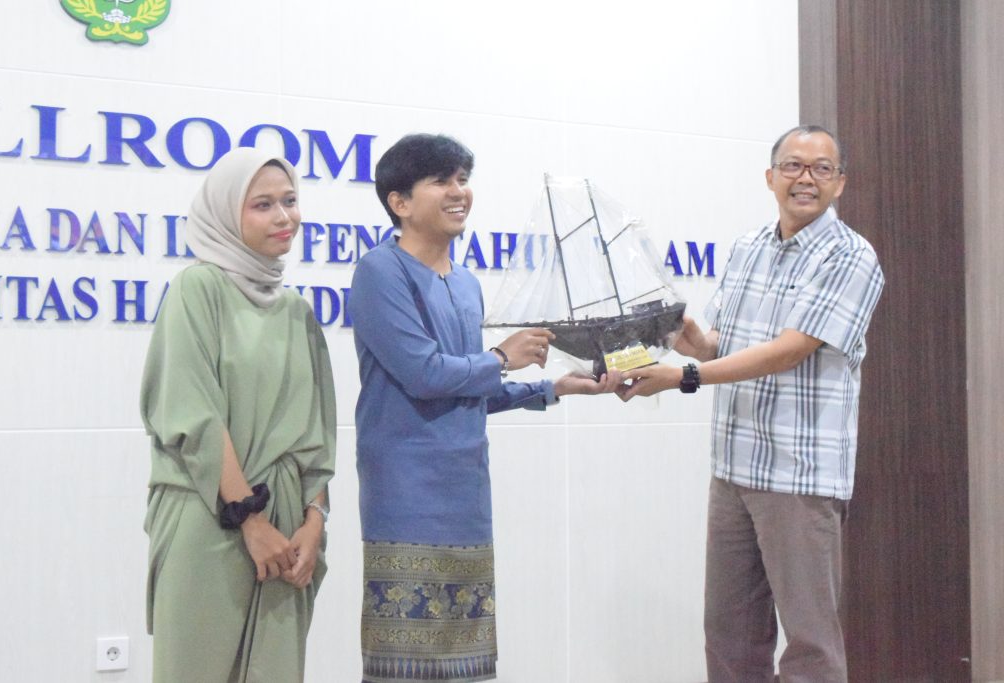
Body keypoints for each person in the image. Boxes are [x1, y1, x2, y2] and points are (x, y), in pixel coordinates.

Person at [349, 133, 621, 682]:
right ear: (399, 202)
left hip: (466, 494)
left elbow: (469, 387)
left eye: (463, 179)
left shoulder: (467, 283)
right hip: (406, 493)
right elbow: (425, 374)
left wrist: (556, 388)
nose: (459, 192)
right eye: (441, 181)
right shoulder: (380, 270)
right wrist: (500, 356)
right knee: (407, 663)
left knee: (465, 663)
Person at [619, 125, 884, 682]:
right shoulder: (748, 246)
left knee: (809, 646)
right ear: (770, 177)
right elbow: (723, 345)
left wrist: (683, 375)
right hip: (734, 470)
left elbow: (789, 350)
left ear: (840, 183)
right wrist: (683, 333)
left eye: (821, 169)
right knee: (729, 638)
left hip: (798, 476)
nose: (805, 178)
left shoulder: (851, 256)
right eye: (793, 166)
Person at [140, 147, 336, 683]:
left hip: (288, 528)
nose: (283, 216)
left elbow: (318, 433)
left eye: (289, 201)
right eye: (262, 204)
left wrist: (315, 521)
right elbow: (192, 414)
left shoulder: (296, 310)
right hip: (210, 517)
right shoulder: (198, 288)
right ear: (227, 213)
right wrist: (249, 519)